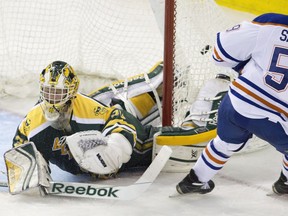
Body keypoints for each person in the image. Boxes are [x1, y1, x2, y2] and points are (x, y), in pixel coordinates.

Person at [176, 13, 288, 195]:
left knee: (224, 143)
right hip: (275, 122)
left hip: (237, 104)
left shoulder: (270, 22)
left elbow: (219, 55)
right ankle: (286, 182)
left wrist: (242, 66)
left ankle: (194, 181)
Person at [11, 60, 154, 180]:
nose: (52, 100)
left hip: (106, 113)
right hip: (97, 108)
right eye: (48, 91)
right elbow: (20, 141)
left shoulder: (88, 109)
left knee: (149, 140)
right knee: (117, 104)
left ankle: (158, 88)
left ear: (72, 91)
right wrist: (29, 168)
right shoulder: (34, 119)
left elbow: (120, 117)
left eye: (59, 93)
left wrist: (117, 145)